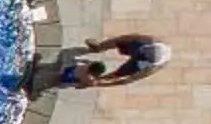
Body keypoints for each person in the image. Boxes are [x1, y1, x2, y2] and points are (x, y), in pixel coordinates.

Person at [33, 33, 172, 91]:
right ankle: (98, 49)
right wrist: (100, 46)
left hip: (141, 64)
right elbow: (120, 39)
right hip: (80, 75)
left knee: (120, 72)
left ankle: (101, 77)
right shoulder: (147, 41)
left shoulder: (150, 68)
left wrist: (100, 83)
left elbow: (126, 80)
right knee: (120, 43)